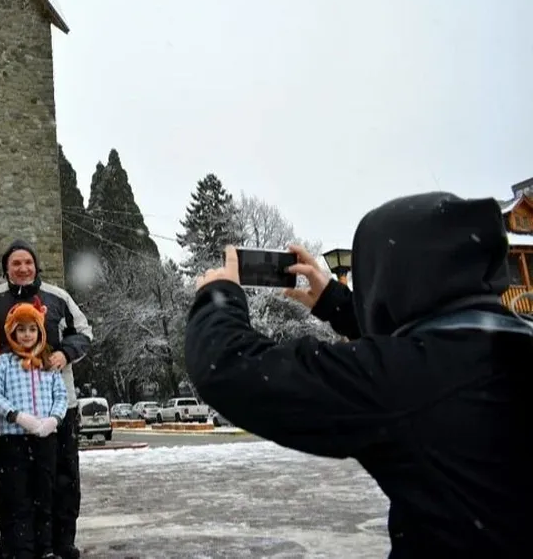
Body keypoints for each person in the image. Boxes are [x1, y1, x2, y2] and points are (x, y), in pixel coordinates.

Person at [185, 192, 533, 557]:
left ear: (387, 278)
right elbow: (429, 343)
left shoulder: (401, 381)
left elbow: (227, 367)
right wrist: (337, 304)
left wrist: (218, 296)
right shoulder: (508, 342)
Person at [0, 240, 92, 559]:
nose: (22, 268)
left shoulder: (58, 297)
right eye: (15, 263)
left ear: (36, 266)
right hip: (12, 413)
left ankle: (61, 540)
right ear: (6, 268)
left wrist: (65, 353)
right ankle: (13, 541)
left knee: (62, 476)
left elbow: (84, 332)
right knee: (11, 482)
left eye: (27, 262)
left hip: (58, 407)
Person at [0, 299, 69, 559]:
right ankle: (22, 548)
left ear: (40, 333)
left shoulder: (48, 364)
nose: (26, 335)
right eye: (20, 330)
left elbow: (61, 396)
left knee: (44, 494)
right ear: (12, 333)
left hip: (44, 439)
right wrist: (17, 416)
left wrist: (53, 420)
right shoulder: (3, 363)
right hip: (14, 440)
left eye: (32, 329)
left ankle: (45, 547)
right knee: (18, 497)